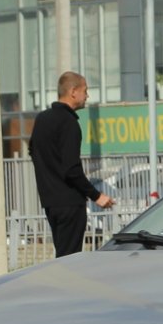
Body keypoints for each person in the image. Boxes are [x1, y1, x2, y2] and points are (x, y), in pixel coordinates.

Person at [30, 71, 113, 257]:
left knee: (62, 255)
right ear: (73, 91)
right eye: (85, 90)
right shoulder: (69, 123)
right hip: (69, 203)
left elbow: (33, 153)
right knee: (70, 260)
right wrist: (96, 196)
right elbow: (71, 169)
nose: (87, 96)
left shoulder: (42, 119)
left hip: (50, 202)